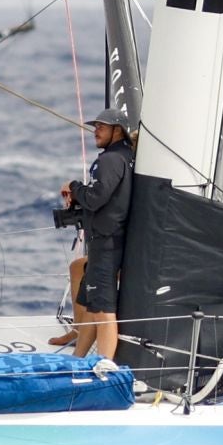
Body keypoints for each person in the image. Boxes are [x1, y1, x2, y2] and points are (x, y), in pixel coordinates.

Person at [61, 107, 135, 360]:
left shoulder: (110, 160)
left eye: (101, 127)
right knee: (93, 307)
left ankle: (106, 368)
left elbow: (95, 198)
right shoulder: (125, 156)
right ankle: (77, 360)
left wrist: (74, 187)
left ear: (118, 131)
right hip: (111, 240)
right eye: (95, 126)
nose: (96, 131)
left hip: (106, 243)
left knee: (103, 310)